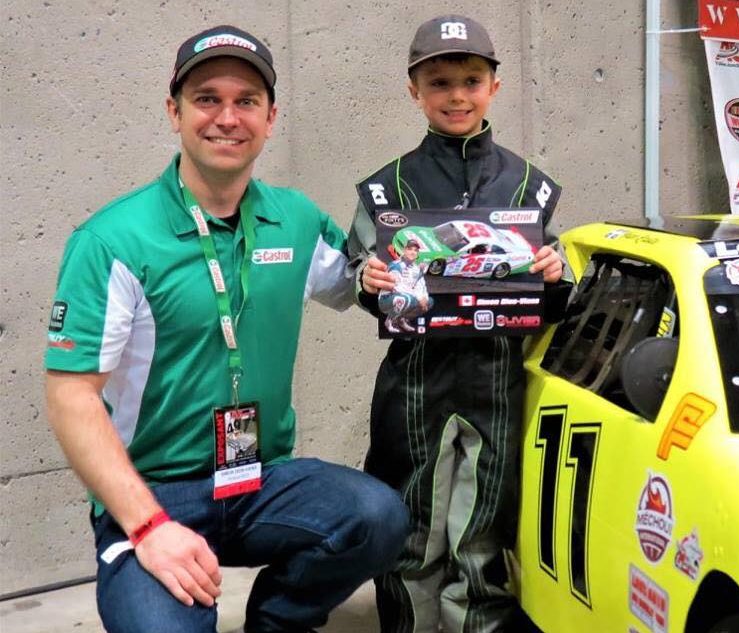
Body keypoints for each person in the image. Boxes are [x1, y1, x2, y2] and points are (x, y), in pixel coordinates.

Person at [44, 25, 409, 633]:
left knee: (377, 515)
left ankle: (277, 622)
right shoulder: (112, 240)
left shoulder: (295, 220)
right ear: (174, 112)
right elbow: (70, 395)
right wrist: (149, 526)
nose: (227, 118)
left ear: (271, 117)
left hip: (258, 480)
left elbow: (372, 284)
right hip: (154, 494)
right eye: (207, 98)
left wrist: (522, 266)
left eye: (246, 101)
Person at [346, 15, 568, 633]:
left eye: (471, 80)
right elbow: (358, 273)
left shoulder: (529, 187)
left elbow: (556, 293)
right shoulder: (386, 189)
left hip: (498, 382)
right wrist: (369, 280)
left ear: (495, 86)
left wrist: (555, 274)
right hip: (413, 384)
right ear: (414, 90)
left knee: (484, 530)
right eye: (439, 82)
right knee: (410, 526)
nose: (457, 96)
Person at [380, 239, 432, 333]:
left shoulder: (416, 269)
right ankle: (389, 321)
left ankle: (401, 319)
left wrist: (424, 297)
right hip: (386, 298)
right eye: (410, 249)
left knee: (429, 302)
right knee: (407, 299)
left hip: (405, 297)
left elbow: (421, 286)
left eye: (415, 250)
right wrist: (418, 297)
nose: (412, 252)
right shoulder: (396, 265)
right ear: (404, 250)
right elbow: (396, 287)